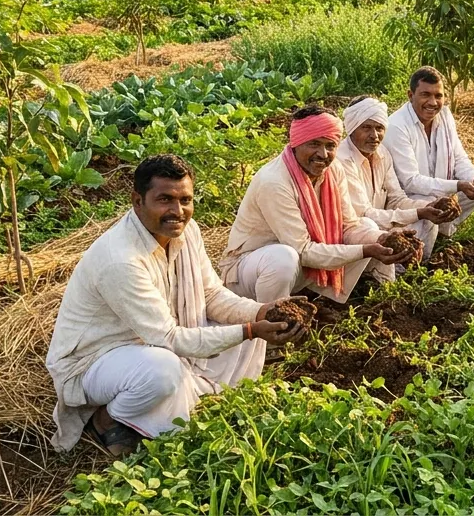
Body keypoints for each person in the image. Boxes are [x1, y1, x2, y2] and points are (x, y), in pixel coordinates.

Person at [46, 154, 308, 457]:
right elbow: (169, 339)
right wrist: (250, 329)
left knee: (245, 331)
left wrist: (262, 313)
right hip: (96, 360)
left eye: (185, 200)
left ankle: (174, 403)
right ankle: (107, 419)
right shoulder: (121, 260)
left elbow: (211, 295)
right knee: (163, 369)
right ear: (137, 200)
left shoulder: (187, 231)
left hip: (152, 340)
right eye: (165, 199)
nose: (177, 211)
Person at [221, 107, 417, 306]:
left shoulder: (333, 170)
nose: (323, 154)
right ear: (296, 144)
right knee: (283, 257)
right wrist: (367, 250)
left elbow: (348, 226)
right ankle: (272, 319)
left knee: (368, 226)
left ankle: (316, 298)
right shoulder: (274, 182)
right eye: (314, 144)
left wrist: (383, 239)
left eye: (330, 146)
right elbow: (302, 250)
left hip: (298, 266)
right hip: (250, 272)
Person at [384, 67, 474, 252]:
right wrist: (458, 185)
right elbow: (410, 182)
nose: (433, 102)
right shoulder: (397, 126)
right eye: (425, 95)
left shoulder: (445, 115)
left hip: (437, 189)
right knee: (431, 202)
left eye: (438, 96)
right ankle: (422, 261)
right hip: (409, 198)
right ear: (410, 95)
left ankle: (443, 233)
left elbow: (458, 157)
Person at [335, 96, 457, 258]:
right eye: (366, 128)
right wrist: (419, 212)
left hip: (381, 225)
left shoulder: (382, 153)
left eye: (379, 128)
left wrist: (429, 206)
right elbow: (364, 215)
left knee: (427, 217)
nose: (374, 135)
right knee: (370, 224)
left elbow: (396, 199)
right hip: (356, 233)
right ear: (351, 128)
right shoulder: (342, 160)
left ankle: (414, 270)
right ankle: (382, 275)